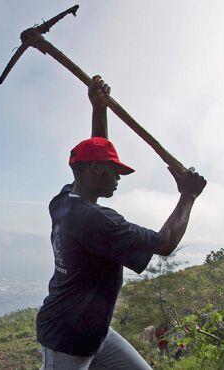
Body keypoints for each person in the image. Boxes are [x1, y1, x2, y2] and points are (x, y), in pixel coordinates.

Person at [36, 76, 206, 369]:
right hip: (66, 340)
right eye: (113, 171)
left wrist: (98, 108)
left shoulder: (63, 201)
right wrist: (188, 196)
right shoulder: (99, 222)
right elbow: (165, 243)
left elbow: (95, 151)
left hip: (93, 332)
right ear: (93, 170)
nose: (117, 179)